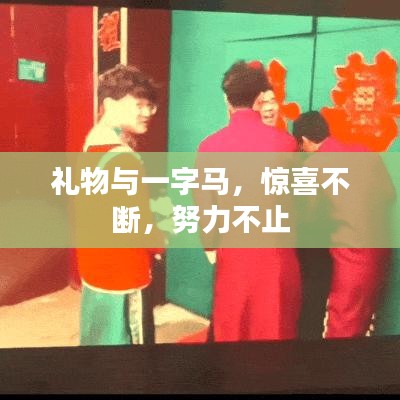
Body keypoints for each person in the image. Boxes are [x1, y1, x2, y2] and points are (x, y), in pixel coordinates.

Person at [197, 60, 301, 342]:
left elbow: (207, 211)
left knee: (233, 330)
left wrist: (211, 246)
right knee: (274, 331)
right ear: (259, 98)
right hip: (277, 257)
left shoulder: (209, 147)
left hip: (234, 258)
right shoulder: (286, 143)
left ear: (226, 99)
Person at [76, 64, 164, 345]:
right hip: (125, 273)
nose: (147, 112)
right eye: (139, 104)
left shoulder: (91, 144)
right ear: (111, 104)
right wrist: (160, 242)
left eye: (150, 106)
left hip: (95, 267)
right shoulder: (124, 158)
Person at [293, 110, 393, 338]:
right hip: (381, 254)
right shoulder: (365, 152)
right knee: (365, 324)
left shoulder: (314, 167)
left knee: (341, 329)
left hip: (351, 258)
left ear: (305, 141)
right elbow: (388, 194)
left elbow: (309, 220)